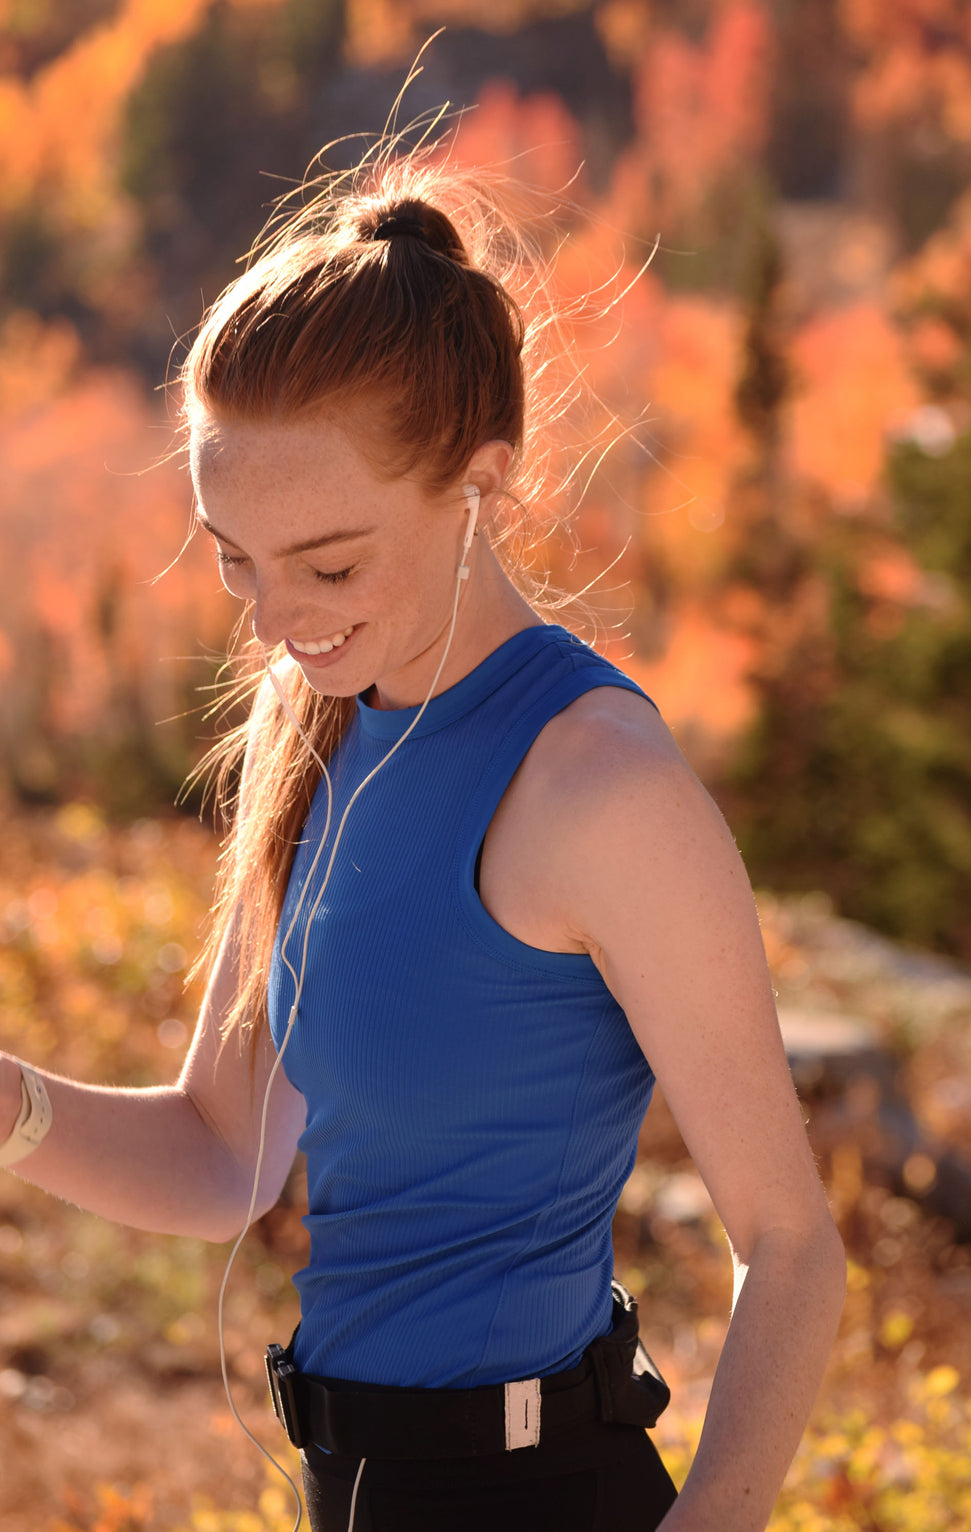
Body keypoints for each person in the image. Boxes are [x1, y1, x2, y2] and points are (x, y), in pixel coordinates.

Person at [0, 145, 847, 1532]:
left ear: (482, 479)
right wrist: (10, 1107)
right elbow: (224, 1160)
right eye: (233, 557)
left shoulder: (601, 789)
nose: (275, 622)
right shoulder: (312, 718)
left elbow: (795, 1250)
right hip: (353, 1494)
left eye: (329, 563)